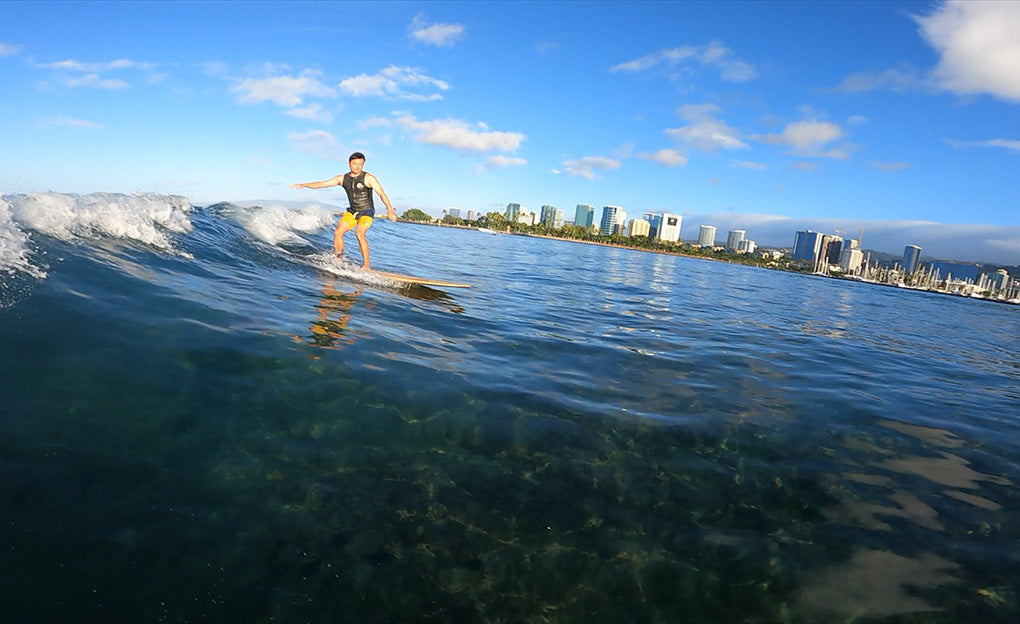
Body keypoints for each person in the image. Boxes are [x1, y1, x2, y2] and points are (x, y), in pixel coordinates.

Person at [291, 152, 397, 270]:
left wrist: (390, 209)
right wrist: (304, 184)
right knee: (338, 232)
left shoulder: (369, 178)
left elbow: (381, 193)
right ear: (349, 164)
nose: (357, 167)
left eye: (360, 164)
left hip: (367, 211)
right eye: (355, 164)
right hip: (352, 211)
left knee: (359, 234)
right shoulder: (342, 178)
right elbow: (323, 183)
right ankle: (339, 259)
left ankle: (366, 265)